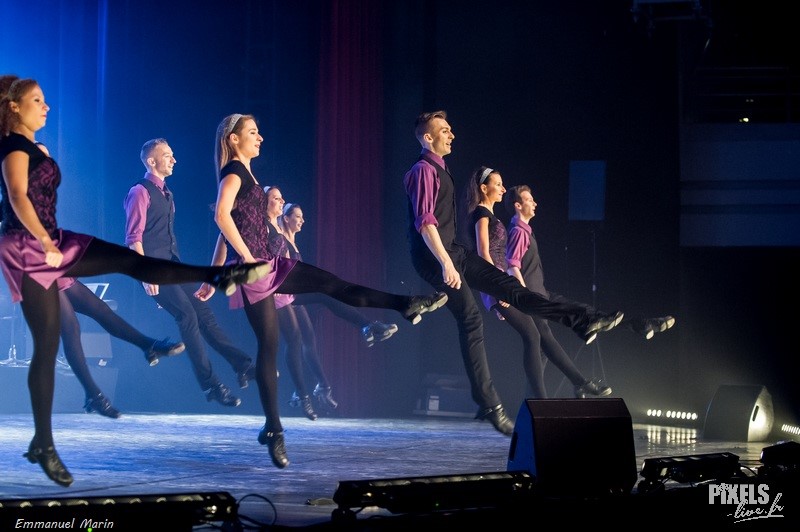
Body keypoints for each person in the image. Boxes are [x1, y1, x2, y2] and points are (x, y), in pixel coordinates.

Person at [0, 77, 269, 487]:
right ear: (14, 107)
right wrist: (40, 239)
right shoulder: (14, 147)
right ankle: (45, 440)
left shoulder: (35, 148)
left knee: (121, 277)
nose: (47, 107)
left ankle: (208, 284)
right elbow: (18, 197)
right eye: (37, 101)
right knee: (53, 337)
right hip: (27, 247)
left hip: (53, 240)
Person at [195, 113, 448, 469]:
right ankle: (274, 429)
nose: (260, 137)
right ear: (234, 140)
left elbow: (227, 229)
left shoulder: (248, 175)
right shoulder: (233, 173)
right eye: (253, 132)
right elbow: (222, 217)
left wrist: (215, 275)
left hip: (270, 264)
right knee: (268, 348)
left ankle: (405, 304)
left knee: (332, 285)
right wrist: (247, 260)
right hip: (253, 271)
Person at [403, 110, 624, 436]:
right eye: (445, 131)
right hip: (435, 257)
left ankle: (583, 320)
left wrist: (459, 261)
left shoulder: (442, 168)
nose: (452, 135)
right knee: (471, 319)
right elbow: (425, 222)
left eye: (451, 130)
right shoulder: (422, 170)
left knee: (516, 291)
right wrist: (446, 264)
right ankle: (489, 405)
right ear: (427, 138)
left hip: (454, 253)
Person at [468, 169, 674, 399]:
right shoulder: (509, 227)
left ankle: (631, 326)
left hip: (535, 292)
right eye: (528, 199)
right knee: (543, 337)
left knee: (562, 332)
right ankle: (568, 385)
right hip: (526, 293)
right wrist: (511, 293)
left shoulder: (511, 225)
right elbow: (504, 261)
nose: (534, 203)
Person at [124, 138, 259, 408]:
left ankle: (242, 365)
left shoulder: (167, 194)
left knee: (204, 314)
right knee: (187, 316)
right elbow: (133, 238)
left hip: (173, 266)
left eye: (173, 155)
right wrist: (146, 275)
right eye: (167, 155)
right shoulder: (140, 191)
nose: (174, 160)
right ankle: (211, 385)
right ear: (151, 161)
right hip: (155, 270)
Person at [279, 201, 401, 418]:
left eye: (302, 216)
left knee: (308, 340)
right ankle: (367, 326)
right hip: (283, 295)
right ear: (286, 218)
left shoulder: (293, 242)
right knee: (310, 320)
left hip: (292, 295)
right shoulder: (279, 237)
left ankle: (321, 386)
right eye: (297, 216)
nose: (302, 220)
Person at [58, 277, 185, 418]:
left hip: (54, 271)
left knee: (101, 310)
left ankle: (149, 345)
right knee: (70, 328)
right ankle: (94, 395)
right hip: (37, 273)